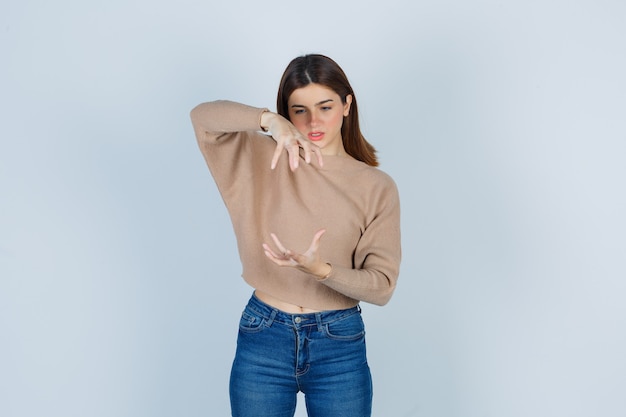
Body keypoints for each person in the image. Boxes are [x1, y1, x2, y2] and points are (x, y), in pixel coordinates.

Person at [190, 54, 401, 417]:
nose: (313, 120)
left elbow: (381, 286)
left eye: (325, 106)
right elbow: (203, 118)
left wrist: (322, 271)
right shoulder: (259, 156)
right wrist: (268, 121)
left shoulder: (375, 186)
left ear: (347, 104)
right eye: (299, 109)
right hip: (264, 335)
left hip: (339, 342)